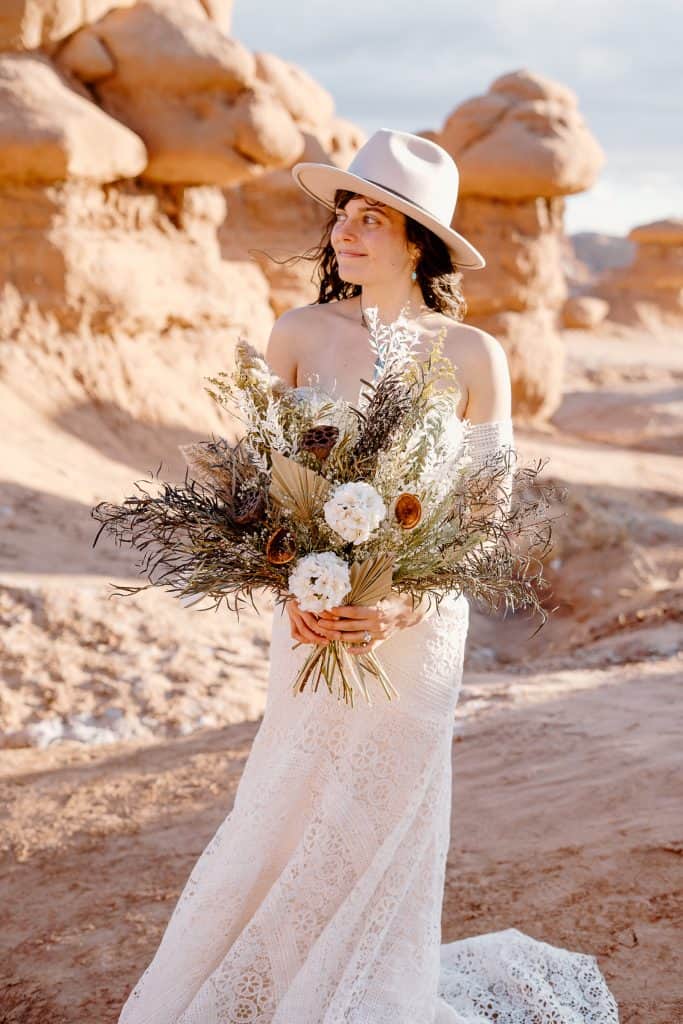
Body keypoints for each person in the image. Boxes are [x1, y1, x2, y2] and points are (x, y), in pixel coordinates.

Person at [117, 129, 619, 1023]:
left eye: (373, 216)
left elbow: (480, 512)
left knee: (383, 813)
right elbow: (255, 486)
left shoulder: (472, 356)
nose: (345, 230)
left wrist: (397, 604)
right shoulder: (297, 332)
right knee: (289, 795)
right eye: (343, 212)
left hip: (417, 628)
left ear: (417, 242)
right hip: (310, 614)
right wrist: (294, 586)